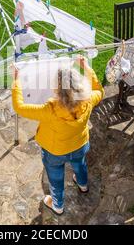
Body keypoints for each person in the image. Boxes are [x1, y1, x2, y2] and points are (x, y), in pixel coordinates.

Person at [11, 55, 105, 215]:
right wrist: (86, 67)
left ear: (57, 90)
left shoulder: (50, 109)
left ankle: (58, 206)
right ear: (80, 86)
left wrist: (16, 81)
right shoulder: (88, 99)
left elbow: (19, 107)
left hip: (54, 151)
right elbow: (100, 91)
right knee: (80, 165)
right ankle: (83, 185)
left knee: (56, 179)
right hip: (79, 144)